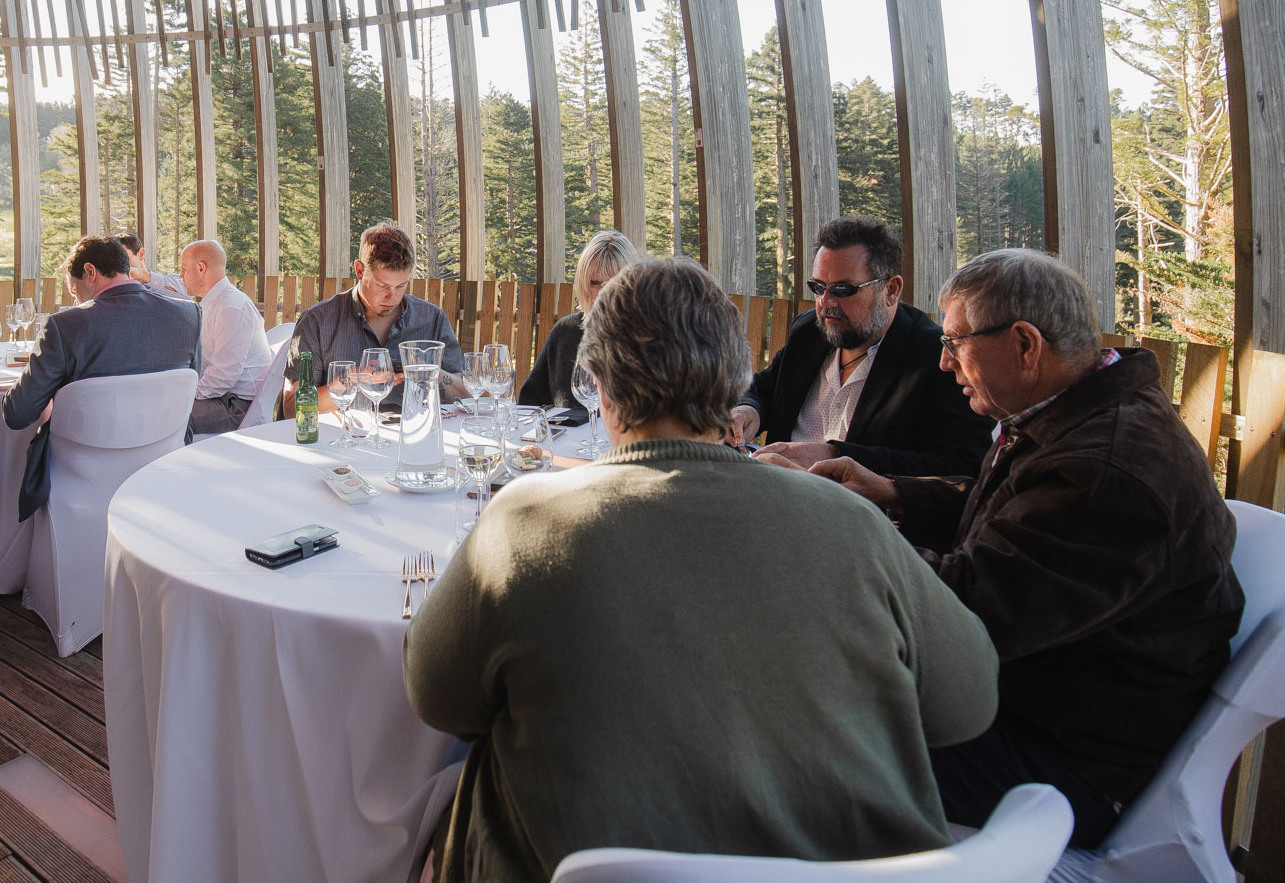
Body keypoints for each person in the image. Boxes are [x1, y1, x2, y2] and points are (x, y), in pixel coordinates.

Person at [405, 258, 998, 881]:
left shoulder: (521, 520)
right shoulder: (852, 522)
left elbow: (437, 698)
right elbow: (969, 701)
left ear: (600, 385)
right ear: (733, 378)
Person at [796, 248, 1244, 847]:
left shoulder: (1105, 468)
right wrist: (893, 491)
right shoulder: (1077, 416)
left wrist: (822, 542)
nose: (943, 361)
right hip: (1033, 705)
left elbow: (969, 609)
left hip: (1065, 761)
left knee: (793, 725)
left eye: (955, 343)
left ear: (1026, 345)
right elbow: (1022, 523)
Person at [731, 217, 989, 477]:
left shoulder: (935, 358)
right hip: (778, 493)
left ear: (891, 290)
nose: (825, 302)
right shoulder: (810, 331)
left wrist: (837, 455)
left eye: (843, 289)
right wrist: (748, 409)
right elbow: (763, 388)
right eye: (818, 287)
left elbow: (961, 466)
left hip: (863, 512)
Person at [3, 236, 202, 520]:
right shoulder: (189, 315)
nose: (77, 300)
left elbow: (17, 414)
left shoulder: (64, 326)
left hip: (79, 470)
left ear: (90, 272)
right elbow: (188, 388)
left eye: (74, 292)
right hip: (162, 461)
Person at [286, 222, 465, 414]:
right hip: (343, 438)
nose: (392, 297)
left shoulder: (432, 319)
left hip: (414, 434)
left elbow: (466, 395)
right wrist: (349, 381)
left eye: (401, 286)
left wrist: (429, 373)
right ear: (360, 271)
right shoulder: (317, 321)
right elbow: (290, 410)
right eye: (382, 285)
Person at [518, 229, 639, 410]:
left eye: (614, 282)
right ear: (583, 283)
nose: (603, 292)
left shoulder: (651, 337)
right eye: (594, 283)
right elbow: (530, 402)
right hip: (568, 437)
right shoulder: (566, 331)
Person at [179, 239, 273, 436]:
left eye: (184, 269)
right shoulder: (215, 302)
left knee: (167, 416)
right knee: (160, 407)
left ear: (201, 268)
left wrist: (186, 394)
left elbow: (224, 375)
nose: (181, 276)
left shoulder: (231, 306)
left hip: (237, 406)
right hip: (222, 396)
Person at [116, 233, 190, 299]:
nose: (120, 265)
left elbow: (188, 291)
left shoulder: (165, 282)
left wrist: (142, 275)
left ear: (141, 254)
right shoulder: (116, 292)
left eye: (124, 259)